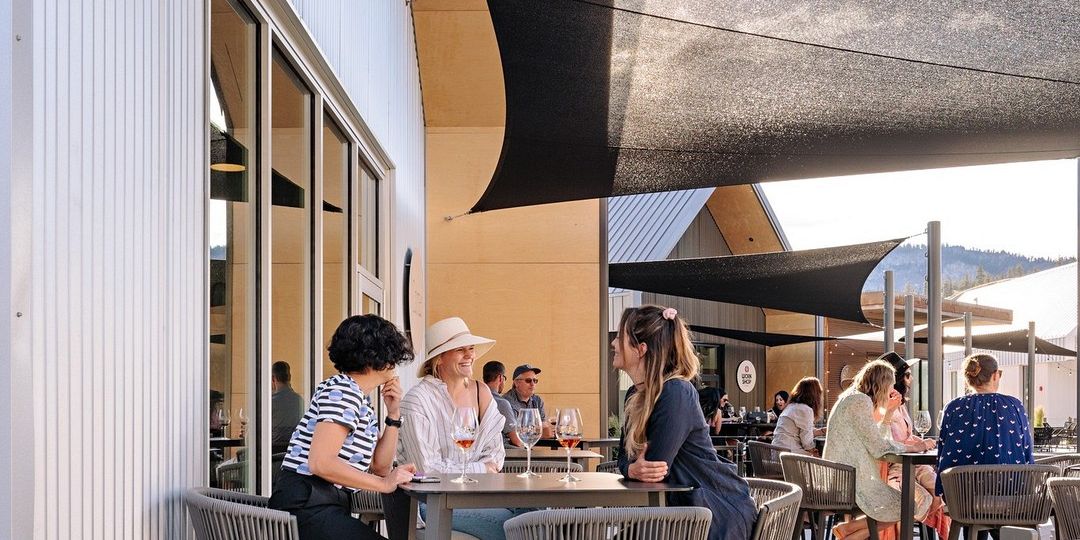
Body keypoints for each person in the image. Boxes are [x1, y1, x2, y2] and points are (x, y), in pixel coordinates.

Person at [613, 305, 756, 540]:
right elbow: (624, 458)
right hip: (678, 514)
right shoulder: (634, 395)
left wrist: (635, 467)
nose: (614, 344)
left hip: (712, 514)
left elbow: (655, 468)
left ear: (641, 349)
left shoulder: (676, 391)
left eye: (620, 337)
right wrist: (630, 468)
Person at [268, 315, 416, 540]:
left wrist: (393, 415)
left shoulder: (359, 398)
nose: (395, 359)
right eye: (390, 350)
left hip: (322, 506)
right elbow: (321, 462)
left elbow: (380, 466)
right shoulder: (343, 392)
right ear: (372, 355)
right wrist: (383, 484)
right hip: (306, 507)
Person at [396, 317, 512, 540]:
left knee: (538, 513)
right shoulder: (418, 400)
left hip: (481, 495)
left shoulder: (482, 392)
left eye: (471, 348)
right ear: (439, 358)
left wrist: (477, 468)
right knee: (518, 526)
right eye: (460, 349)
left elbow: (496, 457)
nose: (470, 355)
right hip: (434, 504)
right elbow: (427, 470)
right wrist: (481, 468)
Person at [824, 359, 935, 540]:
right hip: (849, 480)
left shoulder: (853, 398)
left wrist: (889, 413)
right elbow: (878, 448)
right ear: (882, 384)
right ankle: (847, 530)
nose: (892, 390)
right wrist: (916, 446)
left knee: (908, 506)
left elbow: (878, 440)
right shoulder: (859, 401)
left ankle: (846, 531)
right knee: (908, 506)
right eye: (891, 385)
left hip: (845, 475)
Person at [936, 353, 1034, 496]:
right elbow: (1027, 452)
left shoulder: (953, 407)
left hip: (962, 500)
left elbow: (943, 453)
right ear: (995, 375)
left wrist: (940, 491)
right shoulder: (1014, 406)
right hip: (1012, 498)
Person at [880, 352, 949, 539]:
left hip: (917, 465)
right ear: (897, 378)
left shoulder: (900, 405)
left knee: (941, 495)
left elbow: (908, 436)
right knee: (923, 500)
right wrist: (919, 444)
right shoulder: (881, 406)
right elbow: (887, 443)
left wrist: (921, 442)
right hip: (896, 468)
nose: (911, 380)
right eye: (908, 375)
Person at [771, 377, 825, 455]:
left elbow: (802, 431)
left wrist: (822, 431)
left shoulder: (791, 406)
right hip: (789, 456)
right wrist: (812, 450)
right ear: (815, 395)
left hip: (777, 453)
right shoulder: (805, 410)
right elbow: (807, 442)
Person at [503, 363, 554, 439]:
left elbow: (546, 431)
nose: (532, 384)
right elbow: (515, 436)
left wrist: (526, 431)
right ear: (516, 383)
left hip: (530, 447)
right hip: (512, 449)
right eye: (528, 380)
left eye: (535, 380)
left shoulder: (538, 401)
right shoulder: (506, 402)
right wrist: (537, 431)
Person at [482, 360, 523, 447]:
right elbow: (517, 440)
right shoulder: (501, 403)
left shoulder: (475, 398)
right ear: (500, 378)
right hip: (501, 453)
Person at [272, 360, 305, 453]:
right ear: (289, 377)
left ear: (273, 379)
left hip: (270, 457)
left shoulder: (269, 403)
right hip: (293, 454)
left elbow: (252, 439)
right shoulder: (299, 400)